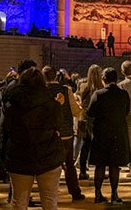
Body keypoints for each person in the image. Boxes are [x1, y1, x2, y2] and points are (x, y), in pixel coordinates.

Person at [3, 67, 65, 210]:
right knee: (50, 201)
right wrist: (58, 105)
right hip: (49, 155)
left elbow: (7, 128)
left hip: (19, 156)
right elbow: (58, 125)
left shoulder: (12, 103)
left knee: (19, 201)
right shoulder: (51, 103)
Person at [87, 67, 130, 204]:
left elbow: (90, 113)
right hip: (118, 133)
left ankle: (98, 193)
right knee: (114, 165)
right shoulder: (123, 94)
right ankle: (114, 193)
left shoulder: (98, 94)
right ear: (116, 79)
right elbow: (127, 111)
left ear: (103, 79)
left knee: (100, 165)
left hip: (101, 133)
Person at [42, 66, 85, 202]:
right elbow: (76, 111)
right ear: (55, 76)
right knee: (69, 165)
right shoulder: (66, 90)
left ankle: (49, 195)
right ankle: (75, 193)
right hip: (66, 134)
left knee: (47, 166)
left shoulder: (41, 92)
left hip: (48, 135)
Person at [74, 64, 104, 180]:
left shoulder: (83, 86)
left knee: (85, 146)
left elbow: (78, 96)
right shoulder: (101, 87)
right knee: (99, 146)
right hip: (97, 119)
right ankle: (99, 170)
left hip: (84, 118)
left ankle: (82, 171)